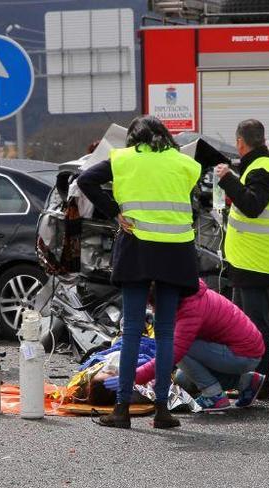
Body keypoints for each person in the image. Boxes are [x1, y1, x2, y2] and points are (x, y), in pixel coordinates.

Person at [76, 115, 201, 429]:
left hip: (137, 248)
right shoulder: (185, 162)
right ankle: (162, 409)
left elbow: (86, 180)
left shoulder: (123, 159)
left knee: (131, 329)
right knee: (166, 332)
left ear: (134, 138)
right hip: (176, 251)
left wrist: (114, 212)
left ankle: (121, 409)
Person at [214, 119, 269, 400]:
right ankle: (246, 379)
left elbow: (252, 206)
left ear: (240, 142)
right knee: (243, 325)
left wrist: (227, 179)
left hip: (254, 261)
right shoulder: (267, 167)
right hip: (251, 259)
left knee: (255, 327)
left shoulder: (260, 170)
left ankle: (261, 383)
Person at [104, 279, 265, 411]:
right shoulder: (187, 294)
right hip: (240, 350)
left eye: (153, 305)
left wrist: (132, 377)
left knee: (175, 350)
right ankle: (246, 381)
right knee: (183, 379)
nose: (152, 308)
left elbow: (173, 352)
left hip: (243, 354)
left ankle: (213, 395)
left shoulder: (190, 309)